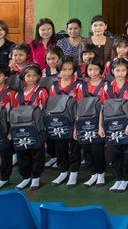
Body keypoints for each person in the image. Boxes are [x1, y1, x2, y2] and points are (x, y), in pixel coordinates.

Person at [104, 59, 128, 192]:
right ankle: (118, 178)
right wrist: (101, 126)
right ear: (112, 71)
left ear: (127, 71)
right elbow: (102, 107)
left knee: (127, 153)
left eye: (123, 70)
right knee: (114, 153)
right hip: (111, 125)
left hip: (126, 124)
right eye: (117, 70)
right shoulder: (107, 87)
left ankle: (125, 179)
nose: (120, 73)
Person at [14, 63, 49, 191]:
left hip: (37, 128)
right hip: (21, 128)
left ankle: (36, 177)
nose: (31, 78)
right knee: (22, 152)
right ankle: (25, 177)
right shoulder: (18, 94)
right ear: (23, 77)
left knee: (37, 153)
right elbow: (14, 112)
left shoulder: (41, 91)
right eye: (28, 76)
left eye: (34, 75)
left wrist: (44, 129)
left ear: (39, 76)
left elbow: (45, 110)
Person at [48, 56, 82, 188]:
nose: (67, 72)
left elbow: (80, 105)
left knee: (74, 147)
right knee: (60, 147)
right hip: (59, 122)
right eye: (63, 69)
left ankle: (74, 172)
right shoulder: (54, 86)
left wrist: (77, 126)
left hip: (73, 120)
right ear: (59, 70)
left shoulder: (79, 84)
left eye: (69, 69)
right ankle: (63, 171)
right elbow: (51, 105)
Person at [79, 57, 108, 188]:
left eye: (96, 69)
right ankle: (93, 174)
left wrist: (101, 125)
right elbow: (79, 106)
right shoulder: (82, 86)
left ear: (101, 70)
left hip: (99, 121)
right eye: (90, 69)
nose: (93, 72)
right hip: (85, 122)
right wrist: (77, 127)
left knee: (97, 149)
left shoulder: (106, 85)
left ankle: (101, 173)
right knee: (87, 149)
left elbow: (105, 106)